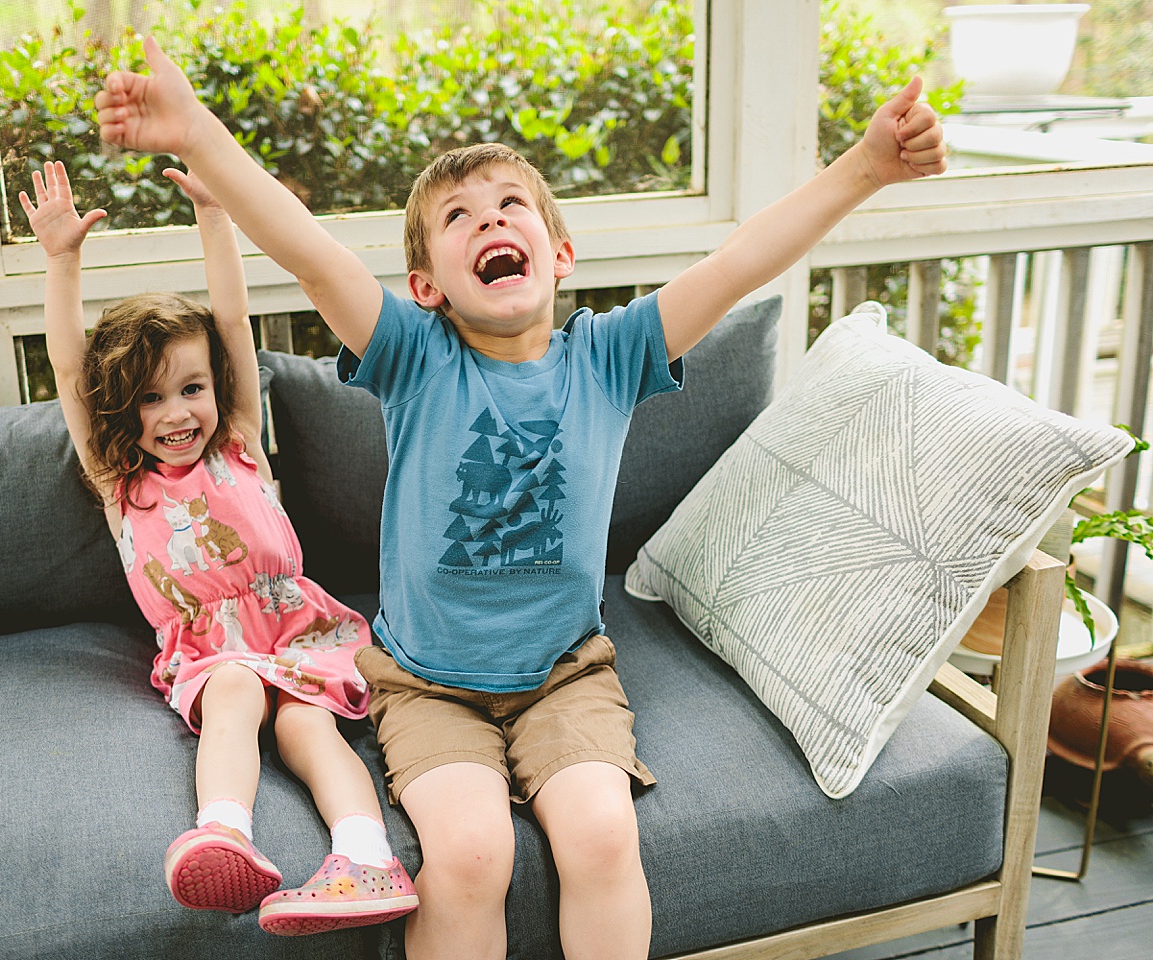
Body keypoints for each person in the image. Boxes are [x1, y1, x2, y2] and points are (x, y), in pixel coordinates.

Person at [94, 36, 947, 960]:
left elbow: (740, 265)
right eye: (458, 216)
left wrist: (864, 166)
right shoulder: (415, 357)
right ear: (426, 287)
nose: (490, 220)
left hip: (565, 677)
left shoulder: (613, 356)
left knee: (602, 836)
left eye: (510, 206)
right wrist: (197, 134)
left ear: (560, 252)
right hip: (428, 689)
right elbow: (307, 253)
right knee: (467, 855)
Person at [17, 158, 418, 937]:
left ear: (218, 390)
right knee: (234, 689)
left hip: (297, 631)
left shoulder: (238, 443)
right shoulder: (119, 480)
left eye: (191, 388)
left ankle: (366, 858)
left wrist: (215, 213)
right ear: (119, 413)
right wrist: (60, 261)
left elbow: (233, 325)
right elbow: (68, 365)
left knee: (308, 726)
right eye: (150, 397)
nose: (176, 412)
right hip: (210, 649)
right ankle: (226, 834)